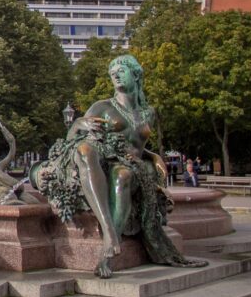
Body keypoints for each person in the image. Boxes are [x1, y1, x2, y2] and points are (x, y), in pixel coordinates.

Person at [31, 55, 206, 278]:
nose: (116, 75)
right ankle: (110, 234)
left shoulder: (148, 113)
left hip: (132, 164)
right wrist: (77, 124)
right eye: (112, 73)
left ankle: (109, 248)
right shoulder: (101, 107)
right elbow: (72, 140)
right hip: (104, 159)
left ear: (136, 75)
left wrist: (153, 157)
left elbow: (138, 145)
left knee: (123, 176)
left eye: (121, 71)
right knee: (88, 152)